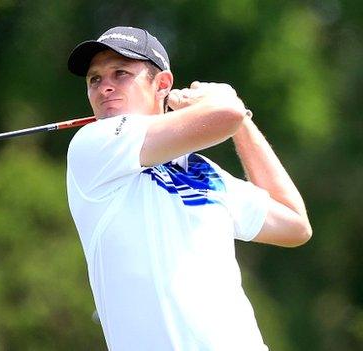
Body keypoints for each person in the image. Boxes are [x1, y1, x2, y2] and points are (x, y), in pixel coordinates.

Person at [65, 26, 312, 350]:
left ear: (162, 84)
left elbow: (295, 224)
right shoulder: (93, 145)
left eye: (120, 73)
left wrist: (244, 123)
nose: (104, 87)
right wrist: (224, 102)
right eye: (94, 79)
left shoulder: (205, 172)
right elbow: (226, 112)